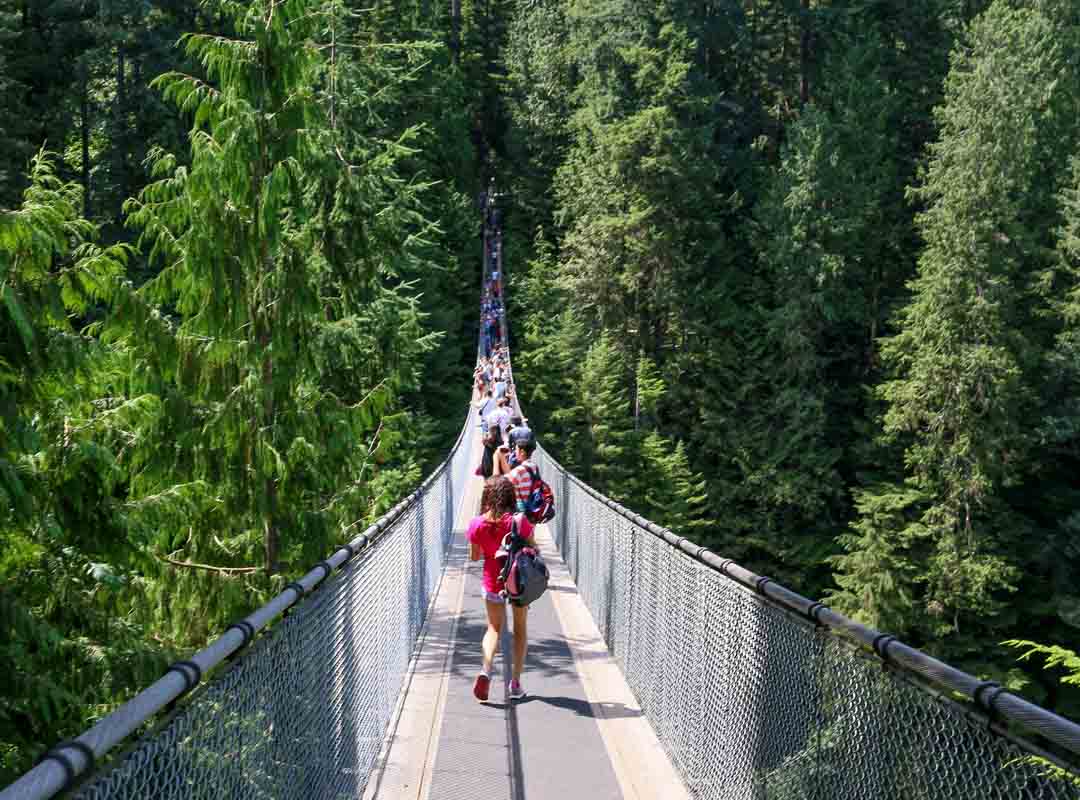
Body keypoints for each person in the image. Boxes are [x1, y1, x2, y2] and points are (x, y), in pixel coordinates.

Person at [467, 476, 535, 702]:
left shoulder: (476, 524)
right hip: (518, 582)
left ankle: (485, 670)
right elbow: (533, 549)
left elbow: (475, 557)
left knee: (494, 628)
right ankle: (514, 684)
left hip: (493, 581)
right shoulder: (519, 521)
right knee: (520, 629)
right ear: (509, 496)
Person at [507, 427, 540, 513]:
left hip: (521, 511)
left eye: (516, 450)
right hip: (533, 507)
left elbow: (503, 483)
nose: (515, 453)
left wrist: (499, 459)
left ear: (522, 452)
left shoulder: (519, 471)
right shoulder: (534, 467)